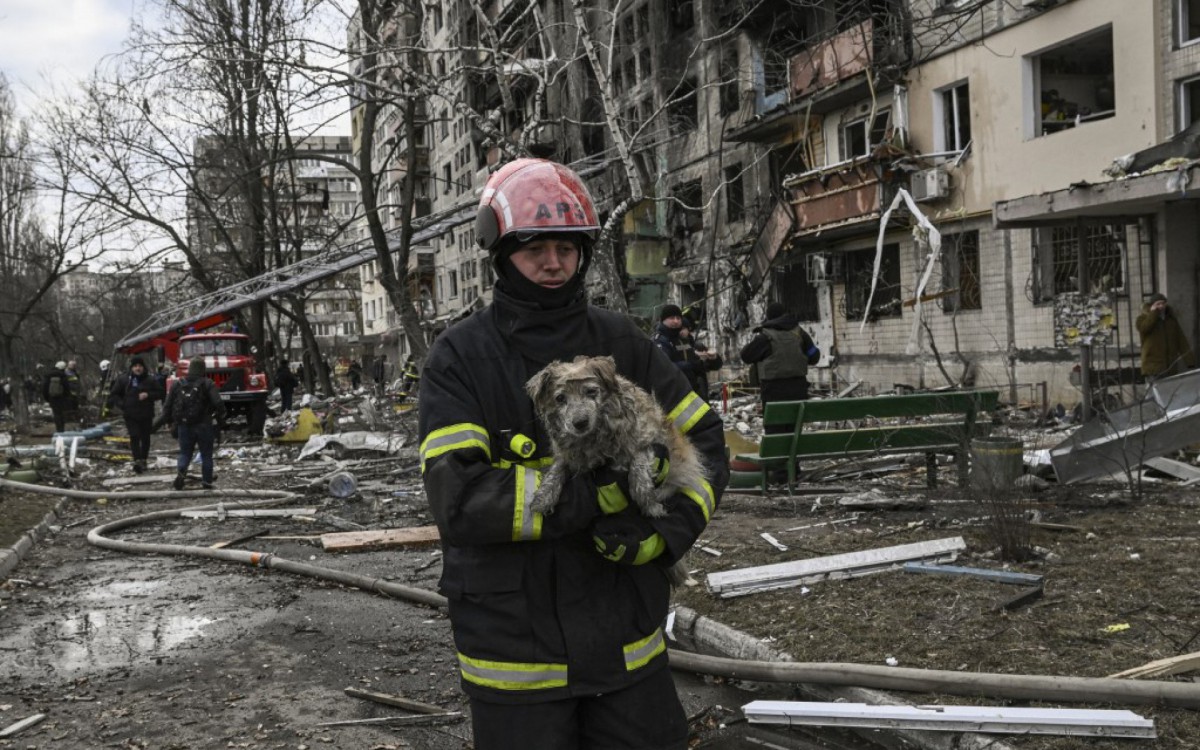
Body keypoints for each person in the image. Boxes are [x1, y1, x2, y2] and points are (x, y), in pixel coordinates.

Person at [418, 158, 728, 750]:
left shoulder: (622, 345)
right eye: (534, 246)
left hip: (627, 648)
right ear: (499, 250)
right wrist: (593, 495)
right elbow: (459, 500)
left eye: (567, 246)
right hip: (516, 658)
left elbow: (704, 442)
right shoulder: (460, 358)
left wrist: (670, 532)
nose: (554, 262)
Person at [739, 302, 820, 414]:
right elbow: (814, 356)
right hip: (798, 391)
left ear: (768, 317)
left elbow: (745, 356)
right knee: (795, 427)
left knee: (775, 429)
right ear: (785, 314)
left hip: (773, 393)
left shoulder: (764, 337)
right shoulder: (800, 333)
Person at [162, 356, 226, 490]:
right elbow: (218, 403)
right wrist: (220, 417)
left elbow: (167, 405)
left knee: (185, 453)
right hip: (204, 424)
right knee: (206, 455)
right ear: (203, 369)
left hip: (184, 425)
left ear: (190, 368)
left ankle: (181, 472)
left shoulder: (178, 383)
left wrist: (169, 422)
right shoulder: (208, 383)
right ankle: (207, 481)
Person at [107, 357, 165, 474]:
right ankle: (137, 461)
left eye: (140, 366)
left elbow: (161, 393)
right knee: (134, 436)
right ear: (131, 368)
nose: (138, 368)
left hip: (146, 414)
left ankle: (143, 459)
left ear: (143, 367)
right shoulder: (124, 379)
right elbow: (114, 394)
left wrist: (148, 395)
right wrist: (122, 404)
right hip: (130, 414)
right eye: (135, 366)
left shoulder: (150, 379)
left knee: (145, 437)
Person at [1137, 292, 1195, 380]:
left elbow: (1181, 340)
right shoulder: (1142, 319)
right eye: (1158, 304)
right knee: (1154, 392)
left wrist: (1189, 361)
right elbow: (1144, 328)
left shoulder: (1171, 320)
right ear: (1152, 305)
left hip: (1170, 366)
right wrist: (1153, 314)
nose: (1161, 306)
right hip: (1153, 367)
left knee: (1170, 392)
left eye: (1163, 303)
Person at [43, 361, 74, 433]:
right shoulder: (63, 375)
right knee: (61, 413)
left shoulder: (48, 375)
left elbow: (44, 388)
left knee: (56, 414)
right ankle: (62, 429)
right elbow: (67, 388)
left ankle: (58, 429)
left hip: (52, 398)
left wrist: (47, 398)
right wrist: (67, 397)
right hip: (61, 398)